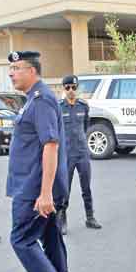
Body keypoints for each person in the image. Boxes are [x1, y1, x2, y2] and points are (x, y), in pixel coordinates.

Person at [6, 51, 71, 272]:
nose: (11, 73)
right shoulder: (34, 99)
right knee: (50, 237)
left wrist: (44, 193)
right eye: (11, 68)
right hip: (35, 184)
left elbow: (51, 145)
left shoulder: (41, 100)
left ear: (32, 71)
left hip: (35, 188)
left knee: (21, 238)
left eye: (17, 68)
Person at [58, 74, 101, 235]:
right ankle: (62, 220)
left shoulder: (83, 106)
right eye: (67, 87)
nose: (71, 91)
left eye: (73, 87)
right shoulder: (58, 107)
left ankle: (90, 218)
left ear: (77, 88)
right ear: (63, 89)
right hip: (67, 155)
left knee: (86, 188)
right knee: (65, 189)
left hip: (82, 153)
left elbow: (85, 127)